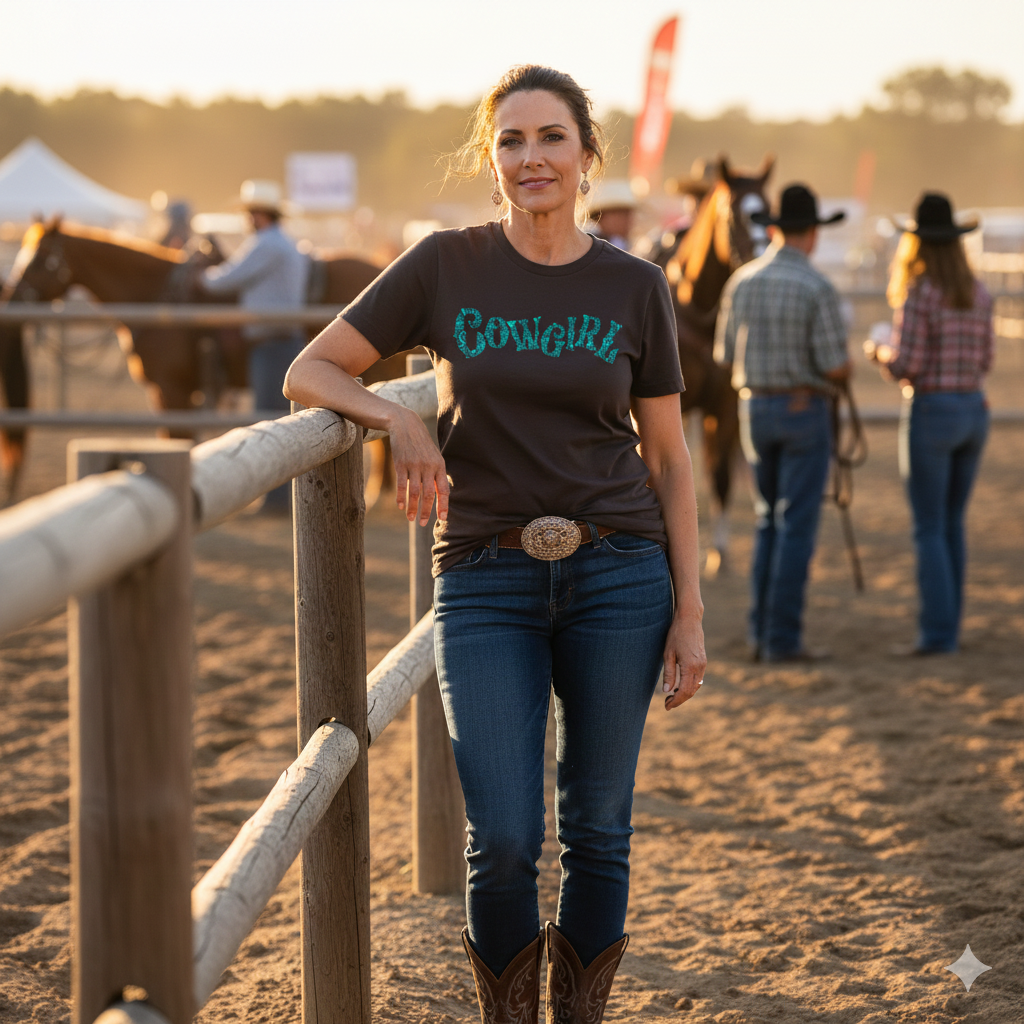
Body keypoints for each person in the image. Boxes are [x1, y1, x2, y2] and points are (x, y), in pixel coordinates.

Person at [284, 65, 707, 1024]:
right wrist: (401, 420)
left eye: (551, 138)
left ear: (587, 155)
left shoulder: (636, 286)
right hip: (484, 577)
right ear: (491, 160)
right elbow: (310, 372)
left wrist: (688, 612)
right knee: (506, 834)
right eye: (511, 142)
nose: (532, 158)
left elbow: (673, 463)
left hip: (619, 573)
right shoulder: (444, 265)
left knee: (599, 829)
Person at [715, 184, 851, 663]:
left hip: (755, 408)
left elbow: (723, 354)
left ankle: (759, 632)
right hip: (802, 410)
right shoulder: (817, 287)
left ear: (773, 229)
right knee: (795, 526)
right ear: (812, 233)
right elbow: (835, 363)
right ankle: (782, 638)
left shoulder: (742, 282)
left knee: (767, 520)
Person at [864, 192, 993, 654]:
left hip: (933, 411)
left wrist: (880, 351)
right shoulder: (978, 291)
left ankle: (938, 634)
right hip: (973, 409)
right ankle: (950, 626)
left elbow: (907, 365)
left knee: (929, 525)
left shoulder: (920, 292)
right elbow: (987, 359)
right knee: (952, 523)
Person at [202, 179, 310, 513]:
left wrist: (200, 276)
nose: (248, 219)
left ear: (259, 214)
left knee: (268, 416)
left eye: (250, 213)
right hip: (285, 338)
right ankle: (281, 497)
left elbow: (226, 280)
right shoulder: (285, 244)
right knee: (279, 415)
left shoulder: (266, 245)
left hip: (271, 340)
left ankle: (276, 499)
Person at [586, 178, 638, 250]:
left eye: (628, 214)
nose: (628, 220)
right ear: (600, 216)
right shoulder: (590, 247)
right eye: (620, 214)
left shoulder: (631, 246)